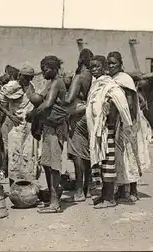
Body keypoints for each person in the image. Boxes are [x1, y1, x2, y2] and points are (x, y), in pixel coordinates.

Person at [86, 55, 137, 209]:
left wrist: (111, 112)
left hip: (107, 129)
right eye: (91, 67)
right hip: (96, 131)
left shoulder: (110, 84)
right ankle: (104, 195)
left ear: (104, 68)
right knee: (100, 163)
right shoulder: (96, 84)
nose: (94, 69)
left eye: (97, 66)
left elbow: (122, 104)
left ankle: (109, 198)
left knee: (108, 162)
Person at [107, 51, 151, 204]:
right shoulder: (111, 80)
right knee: (119, 157)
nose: (111, 66)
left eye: (114, 63)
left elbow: (131, 103)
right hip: (117, 122)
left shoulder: (125, 79)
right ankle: (120, 189)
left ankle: (133, 189)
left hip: (127, 122)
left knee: (130, 154)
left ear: (120, 64)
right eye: (109, 63)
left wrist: (130, 125)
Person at [28, 55, 67, 214]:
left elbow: (48, 103)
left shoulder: (57, 82)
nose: (43, 73)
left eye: (45, 70)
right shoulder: (50, 83)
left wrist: (33, 115)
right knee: (46, 164)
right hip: (48, 127)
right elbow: (38, 99)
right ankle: (53, 197)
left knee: (54, 166)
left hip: (56, 128)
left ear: (53, 69)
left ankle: (55, 202)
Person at [0, 64, 38, 186]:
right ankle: (13, 188)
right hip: (16, 126)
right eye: (25, 77)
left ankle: (27, 188)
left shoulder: (30, 86)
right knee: (14, 156)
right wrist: (9, 115)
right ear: (19, 75)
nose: (27, 79)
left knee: (28, 156)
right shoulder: (12, 86)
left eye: (30, 77)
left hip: (28, 126)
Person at [61, 49, 94, 202]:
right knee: (86, 152)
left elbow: (69, 99)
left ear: (80, 60)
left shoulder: (79, 77)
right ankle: (87, 187)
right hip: (88, 115)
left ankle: (79, 191)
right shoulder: (92, 77)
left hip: (77, 116)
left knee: (77, 154)